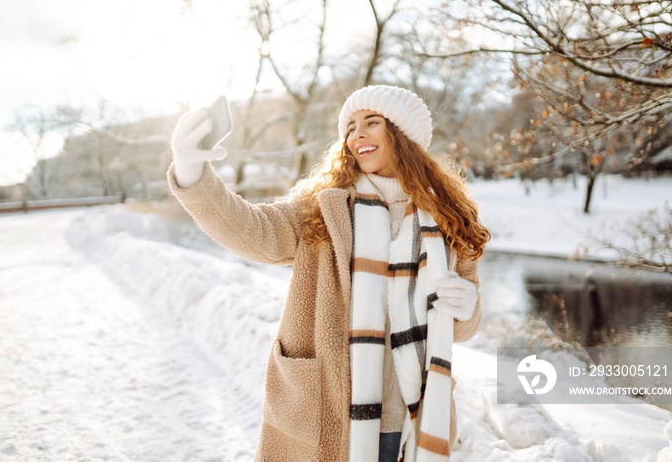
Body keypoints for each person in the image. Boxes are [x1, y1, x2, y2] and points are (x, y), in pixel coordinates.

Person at [168, 85, 490, 462]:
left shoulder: (449, 218)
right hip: (329, 412)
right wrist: (193, 174)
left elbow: (463, 326)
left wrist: (468, 309)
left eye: (372, 122)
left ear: (403, 136)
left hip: (410, 416)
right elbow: (253, 231)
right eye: (351, 127)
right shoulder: (323, 209)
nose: (358, 135)